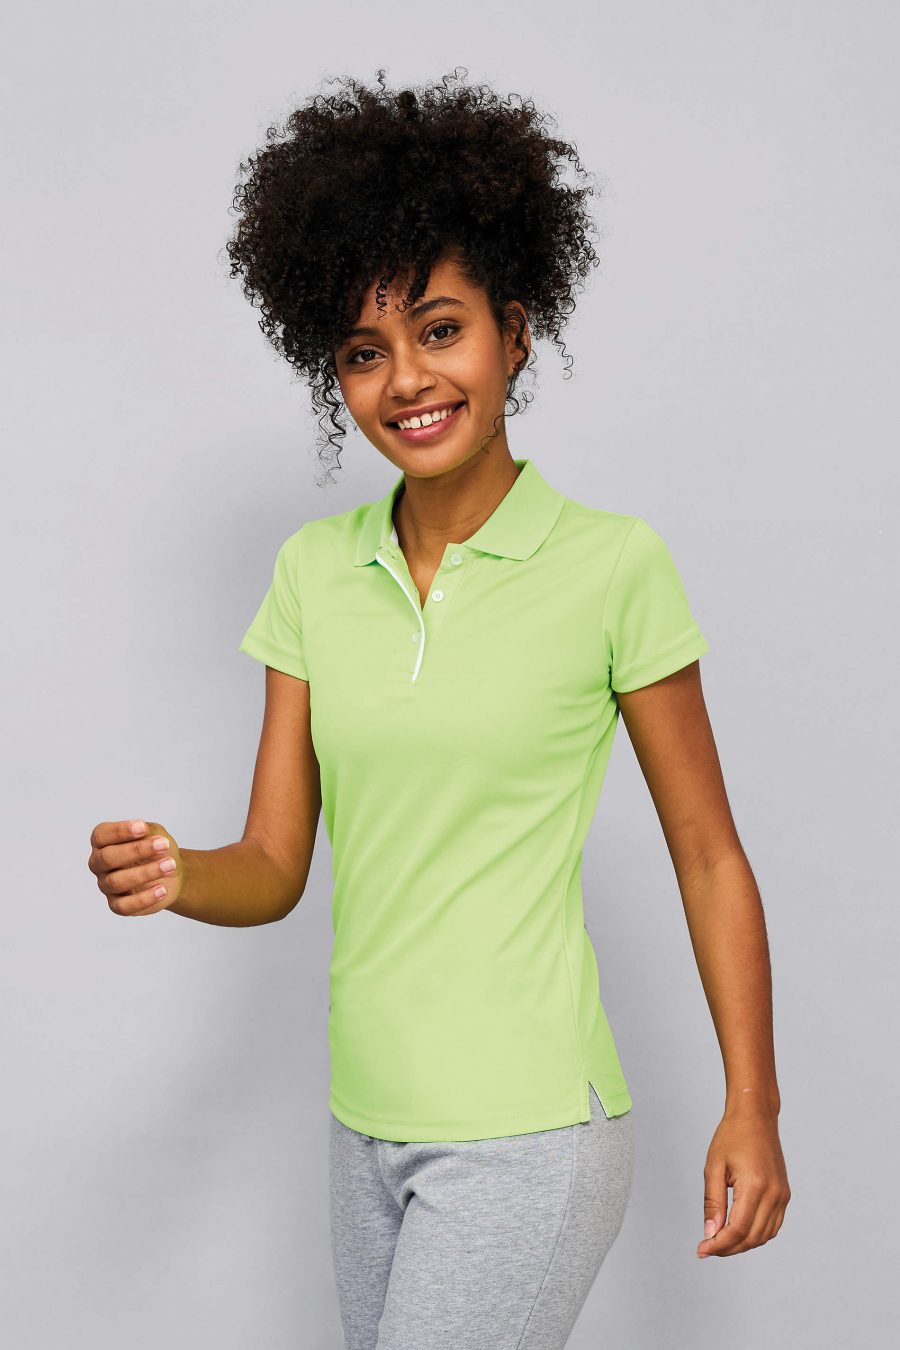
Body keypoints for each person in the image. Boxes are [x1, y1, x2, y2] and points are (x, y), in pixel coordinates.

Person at [87, 69, 790, 1349]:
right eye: (365, 352)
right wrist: (180, 874)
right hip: (364, 1126)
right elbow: (275, 864)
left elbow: (708, 854)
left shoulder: (612, 566)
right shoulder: (314, 574)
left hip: (530, 1131)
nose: (406, 378)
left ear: (515, 332)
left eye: (440, 329)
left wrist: (755, 1105)